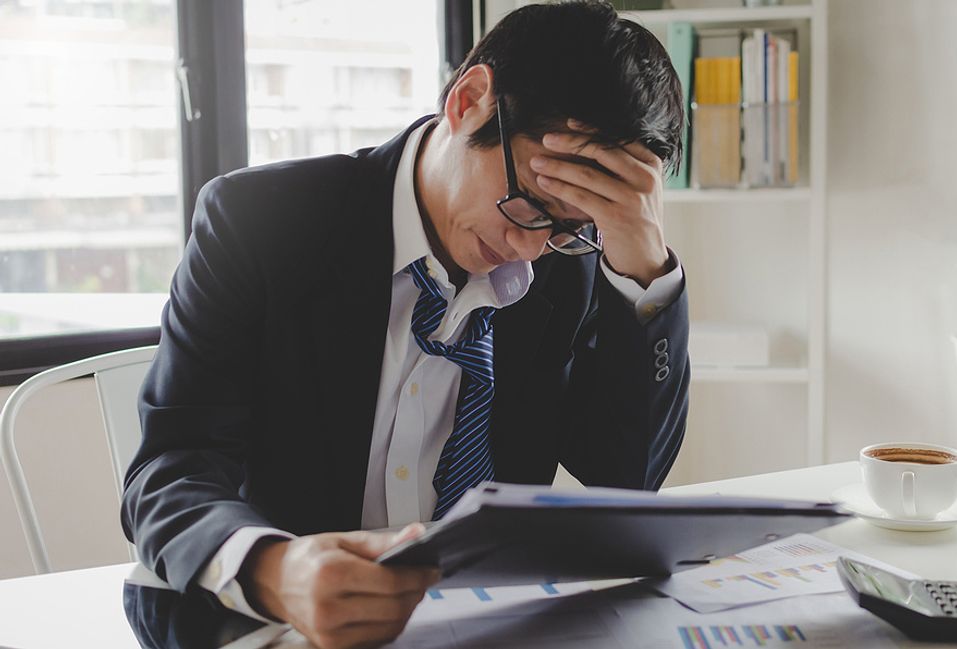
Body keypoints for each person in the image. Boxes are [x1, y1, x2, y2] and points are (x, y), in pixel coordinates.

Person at [122, 2, 690, 647]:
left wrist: (642, 264)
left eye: (573, 226)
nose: (531, 248)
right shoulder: (263, 222)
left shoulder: (569, 262)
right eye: (531, 204)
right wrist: (275, 569)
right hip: (280, 627)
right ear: (471, 100)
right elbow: (169, 468)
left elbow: (627, 480)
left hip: (479, 623)